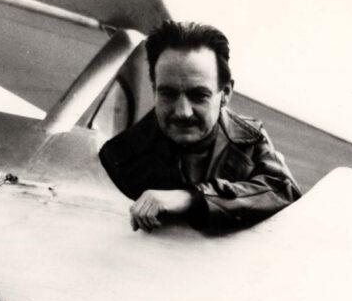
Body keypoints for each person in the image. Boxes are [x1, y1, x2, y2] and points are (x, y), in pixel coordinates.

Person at [99, 20, 301, 233]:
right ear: (154, 90)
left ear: (225, 94)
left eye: (199, 95)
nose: (182, 112)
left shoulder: (249, 141)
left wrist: (192, 197)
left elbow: (285, 192)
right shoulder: (119, 157)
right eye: (168, 94)